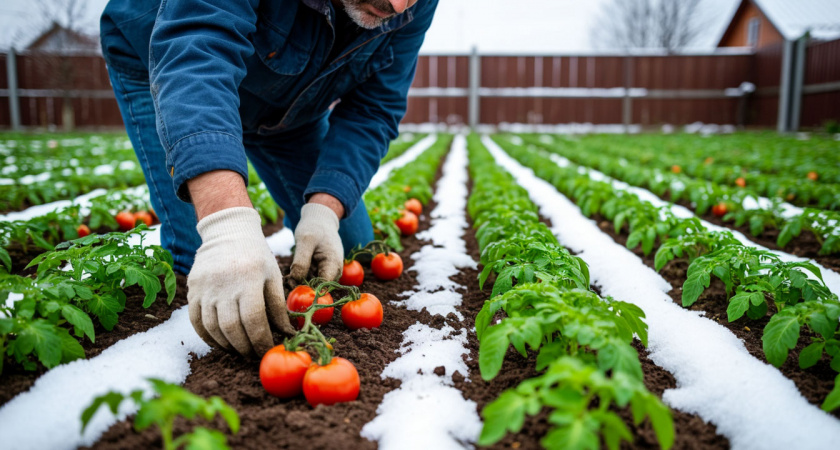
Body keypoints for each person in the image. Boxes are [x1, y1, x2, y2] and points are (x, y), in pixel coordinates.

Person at [99, 0, 438, 357]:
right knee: (198, 254)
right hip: (168, 66)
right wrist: (226, 224)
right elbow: (198, 50)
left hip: (290, 107)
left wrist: (325, 208)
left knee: (351, 247)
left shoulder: (412, 6)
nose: (398, 4)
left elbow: (374, 109)